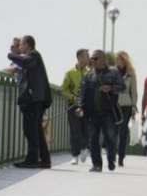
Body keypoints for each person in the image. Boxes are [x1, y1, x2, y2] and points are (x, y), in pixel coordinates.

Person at [7, 35, 52, 169]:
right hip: (35, 99)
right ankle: (44, 160)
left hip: (33, 100)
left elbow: (25, 62)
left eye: (21, 45)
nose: (20, 47)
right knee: (36, 129)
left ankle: (32, 160)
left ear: (27, 44)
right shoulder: (34, 56)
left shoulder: (33, 55)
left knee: (30, 130)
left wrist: (10, 55)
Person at [76, 50, 125, 172]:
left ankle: (111, 159)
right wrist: (80, 106)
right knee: (93, 138)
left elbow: (122, 87)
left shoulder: (114, 72)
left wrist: (111, 88)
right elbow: (81, 92)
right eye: (91, 58)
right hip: (92, 112)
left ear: (103, 59)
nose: (92, 60)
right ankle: (96, 164)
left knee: (110, 137)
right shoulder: (89, 75)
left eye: (95, 58)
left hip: (108, 111)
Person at [61, 49, 90, 164]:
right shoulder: (69, 72)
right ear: (79, 57)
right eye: (85, 56)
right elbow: (63, 89)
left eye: (87, 56)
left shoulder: (90, 72)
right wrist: (73, 98)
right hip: (72, 105)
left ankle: (84, 148)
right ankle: (75, 155)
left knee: (86, 130)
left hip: (86, 106)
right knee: (75, 130)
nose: (87, 59)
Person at [115, 51, 138, 167]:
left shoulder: (131, 73)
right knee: (114, 129)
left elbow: (134, 91)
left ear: (123, 59)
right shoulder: (113, 71)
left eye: (118, 58)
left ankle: (121, 156)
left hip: (127, 105)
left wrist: (134, 106)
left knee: (123, 130)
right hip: (115, 104)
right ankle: (112, 153)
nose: (116, 60)